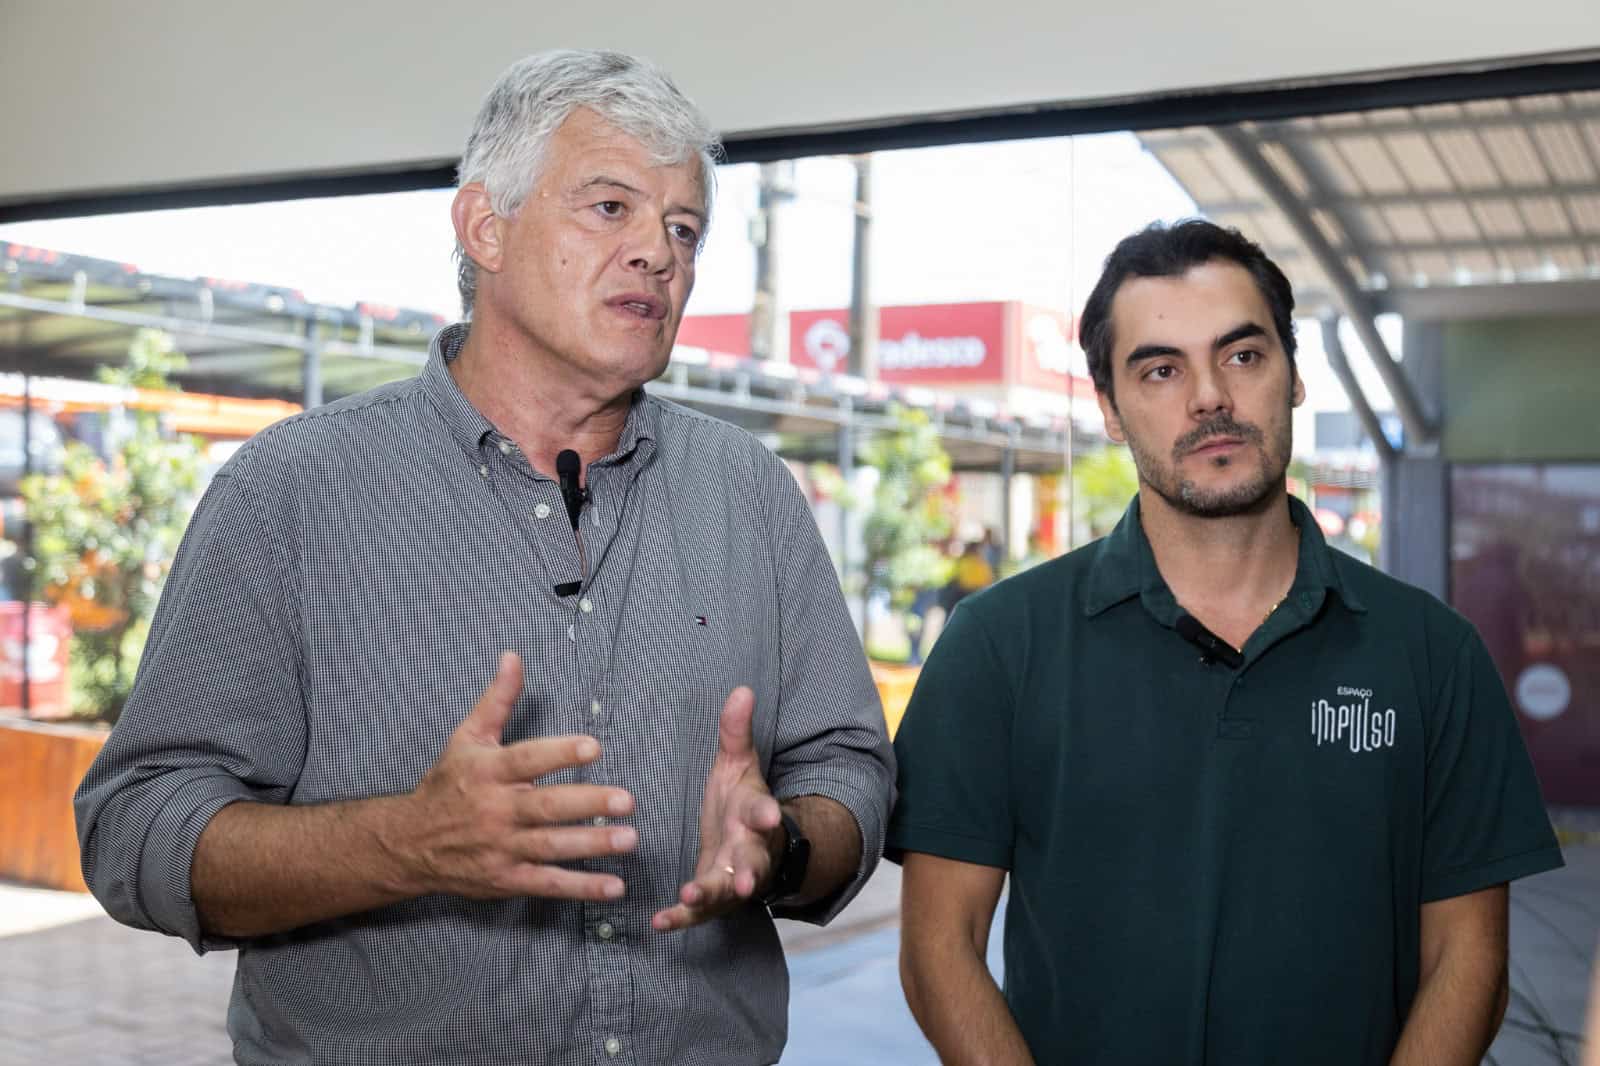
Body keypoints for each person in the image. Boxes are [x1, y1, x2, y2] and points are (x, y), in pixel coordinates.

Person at [75, 49, 893, 1066]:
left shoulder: (751, 495)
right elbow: (133, 829)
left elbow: (845, 766)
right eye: (610, 208)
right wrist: (402, 842)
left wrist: (784, 847)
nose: (658, 253)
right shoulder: (288, 492)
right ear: (485, 227)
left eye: (684, 227)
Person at [888, 219, 1562, 1065]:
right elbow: (939, 949)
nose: (1208, 397)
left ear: (1293, 376)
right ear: (1108, 407)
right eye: (1161, 369)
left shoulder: (1433, 655)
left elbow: (1469, 958)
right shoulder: (997, 646)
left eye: (1242, 356)